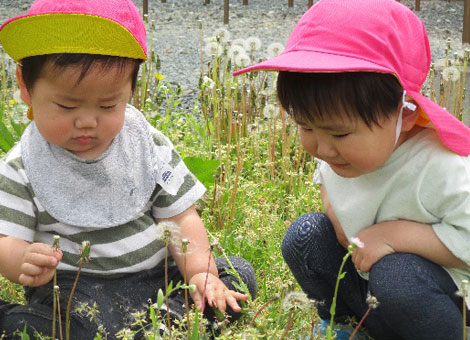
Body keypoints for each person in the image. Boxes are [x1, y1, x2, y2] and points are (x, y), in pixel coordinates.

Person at [0, 0, 256, 338]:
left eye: (109, 105)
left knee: (236, 274)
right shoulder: (22, 167)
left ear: (130, 91)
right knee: (51, 326)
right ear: (25, 85)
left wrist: (199, 273)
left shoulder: (146, 143)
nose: (87, 121)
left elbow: (181, 217)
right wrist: (22, 260)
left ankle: (166, 323)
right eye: (66, 105)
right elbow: (6, 240)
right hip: (78, 293)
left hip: (160, 280)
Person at [234, 0, 470, 339]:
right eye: (306, 127)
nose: (323, 148)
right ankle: (346, 325)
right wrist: (336, 216)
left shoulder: (442, 166)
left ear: (404, 114)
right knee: (305, 235)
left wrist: (392, 236)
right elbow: (326, 182)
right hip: (372, 292)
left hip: (444, 301)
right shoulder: (338, 151)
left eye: (340, 133)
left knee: (395, 274)